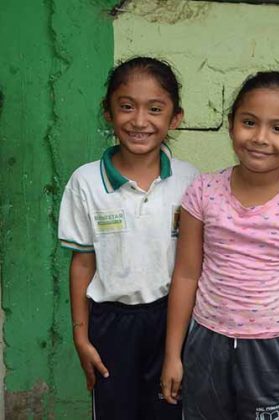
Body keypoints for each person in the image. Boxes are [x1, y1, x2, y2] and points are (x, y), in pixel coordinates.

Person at [160, 71, 279, 420]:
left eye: (278, 128)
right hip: (206, 341)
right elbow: (186, 275)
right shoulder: (203, 190)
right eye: (250, 122)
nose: (261, 138)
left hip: (272, 349)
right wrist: (173, 354)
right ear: (231, 126)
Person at [58, 56, 199, 419]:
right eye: (126, 107)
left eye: (155, 109)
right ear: (108, 112)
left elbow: (195, 264)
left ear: (175, 118)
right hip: (111, 324)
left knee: (170, 410)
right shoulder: (86, 182)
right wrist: (80, 335)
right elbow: (82, 262)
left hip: (173, 319)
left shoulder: (191, 181)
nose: (139, 121)